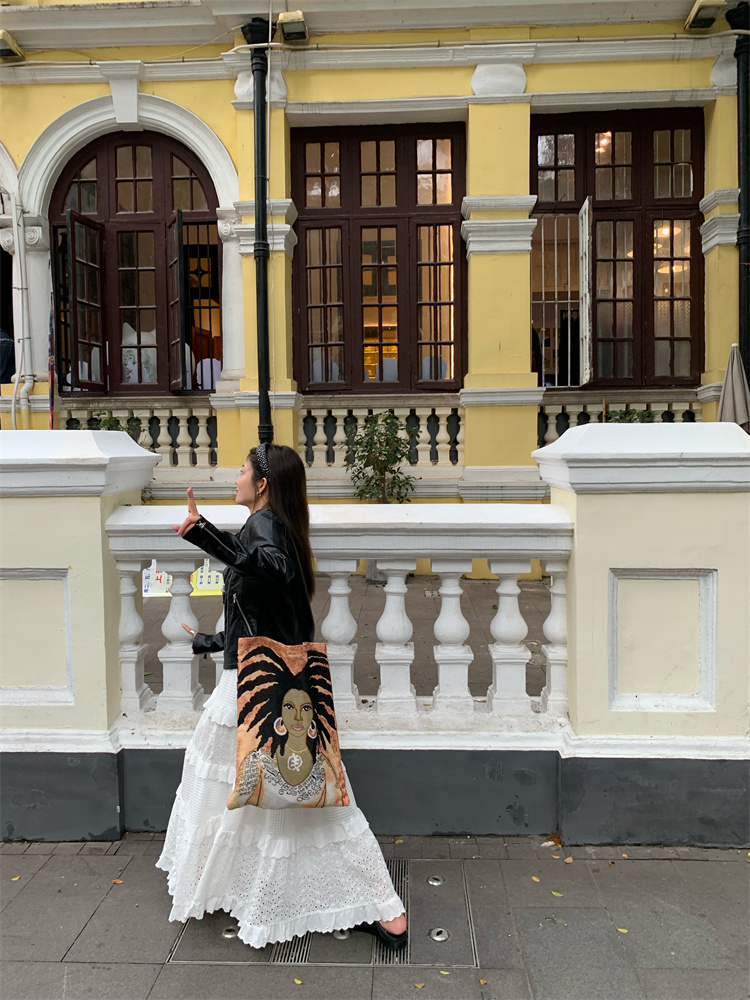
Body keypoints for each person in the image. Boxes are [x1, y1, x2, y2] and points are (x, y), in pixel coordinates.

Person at [156, 442, 407, 950]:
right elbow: (261, 609)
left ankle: (381, 902)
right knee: (277, 793)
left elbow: (272, 569)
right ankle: (277, 891)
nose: (236, 478)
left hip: (256, 685)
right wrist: (208, 640)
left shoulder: (265, 527)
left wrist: (204, 533)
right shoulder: (271, 526)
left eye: (242, 471)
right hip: (254, 676)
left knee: (298, 793)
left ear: (263, 483)